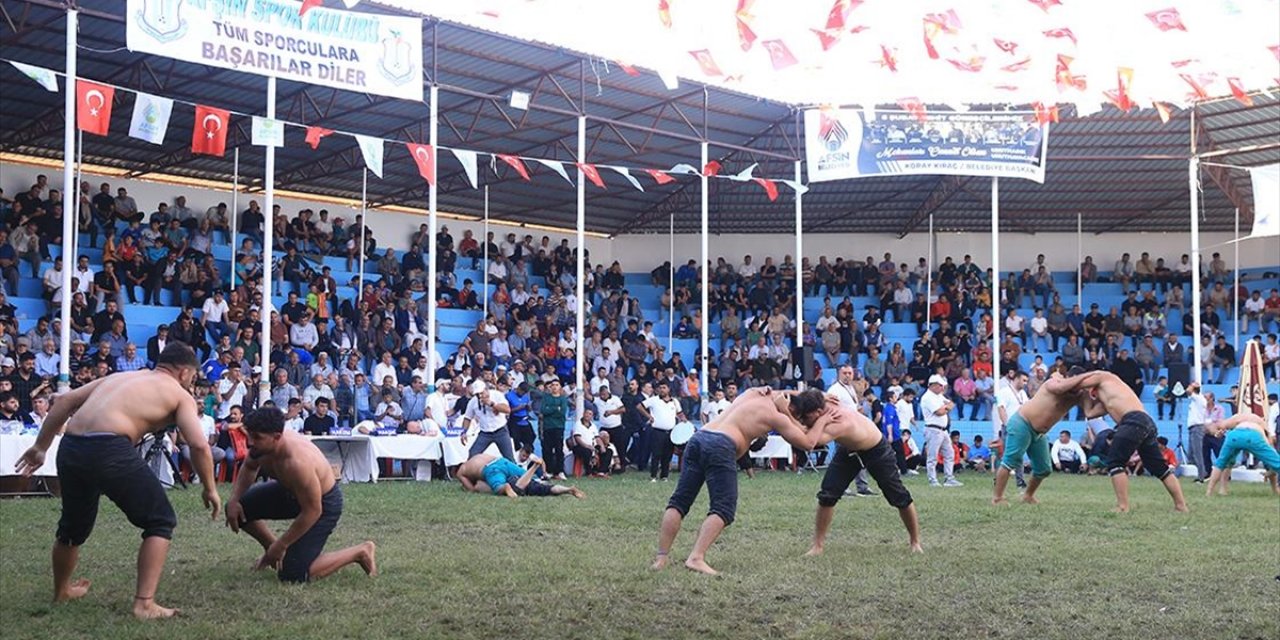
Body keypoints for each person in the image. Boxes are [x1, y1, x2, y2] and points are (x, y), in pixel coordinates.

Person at [14, 342, 220, 619]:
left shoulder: (119, 376)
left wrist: (41, 447)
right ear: (184, 372)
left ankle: (61, 590)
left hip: (72, 447)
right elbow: (198, 445)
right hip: (109, 448)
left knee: (73, 527)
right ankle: (144, 604)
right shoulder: (178, 394)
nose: (191, 382)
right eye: (193, 377)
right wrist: (210, 488)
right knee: (160, 521)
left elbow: (64, 401)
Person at [652, 387, 828, 576]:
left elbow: (781, 392)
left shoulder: (753, 393)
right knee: (723, 509)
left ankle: (661, 558)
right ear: (793, 411)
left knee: (679, 502)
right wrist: (819, 418)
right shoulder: (777, 416)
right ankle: (696, 558)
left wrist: (817, 397)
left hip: (699, 438)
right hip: (721, 445)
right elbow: (808, 443)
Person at [224, 406, 377, 583]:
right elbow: (249, 467)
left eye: (257, 437)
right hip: (289, 492)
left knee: (293, 575)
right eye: (249, 435)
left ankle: (360, 551)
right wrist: (235, 499)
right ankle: (275, 554)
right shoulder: (261, 448)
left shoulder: (297, 462)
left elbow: (312, 511)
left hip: (323, 504)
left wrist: (282, 544)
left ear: (277, 437)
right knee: (237, 508)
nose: (250, 442)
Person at [795, 394, 922, 556]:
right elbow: (795, 396)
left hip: (877, 450)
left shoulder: (839, 423)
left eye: (805, 417)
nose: (803, 421)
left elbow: (810, 442)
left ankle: (915, 542)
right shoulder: (824, 401)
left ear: (819, 412)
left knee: (899, 496)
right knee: (827, 494)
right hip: (849, 450)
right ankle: (817, 546)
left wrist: (815, 423)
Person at [1075, 371, 1189, 513]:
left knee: (1115, 462)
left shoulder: (1103, 378)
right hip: (1146, 423)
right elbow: (1089, 413)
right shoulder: (1106, 398)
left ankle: (1123, 507)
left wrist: (1060, 381)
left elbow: (1077, 382)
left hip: (1134, 421)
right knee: (1159, 467)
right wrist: (1083, 395)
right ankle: (1181, 506)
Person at [992, 369, 1098, 505]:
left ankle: (1028, 495)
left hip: (1039, 432)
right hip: (1022, 423)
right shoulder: (1054, 383)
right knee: (1010, 461)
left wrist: (1104, 401)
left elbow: (1090, 412)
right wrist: (1090, 375)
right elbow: (1061, 386)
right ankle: (997, 498)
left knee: (1044, 468)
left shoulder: (1079, 395)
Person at [1203, 412, 1280, 497]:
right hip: (1254, 436)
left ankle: (1209, 492)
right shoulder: (1261, 421)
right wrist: (1271, 470)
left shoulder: (1237, 417)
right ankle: (1275, 490)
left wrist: (1217, 433)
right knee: (1276, 462)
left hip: (1234, 436)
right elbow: (1270, 446)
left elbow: (1220, 426)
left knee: (1221, 463)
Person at [456, 452, 585, 499]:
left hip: (491, 468)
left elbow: (472, 489)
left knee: (497, 486)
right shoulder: (477, 456)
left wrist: (475, 487)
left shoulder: (462, 470)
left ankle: (505, 488)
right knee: (533, 480)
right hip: (503, 461)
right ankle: (564, 488)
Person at [920, 375, 962, 487]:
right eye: (940, 385)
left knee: (949, 453)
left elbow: (951, 403)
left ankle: (949, 478)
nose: (942, 388)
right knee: (932, 456)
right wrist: (946, 408)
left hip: (943, 430)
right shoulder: (928, 397)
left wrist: (946, 407)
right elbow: (939, 412)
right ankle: (932, 479)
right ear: (932, 385)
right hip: (933, 428)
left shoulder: (939, 396)